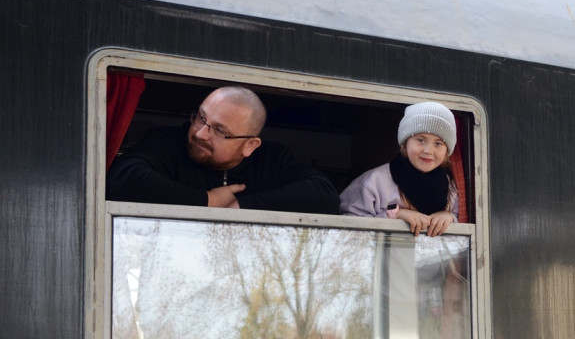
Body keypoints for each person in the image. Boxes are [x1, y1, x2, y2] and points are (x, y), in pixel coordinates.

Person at [106, 86, 339, 214]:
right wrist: (206, 201)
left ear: (250, 145)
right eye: (201, 117)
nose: (200, 133)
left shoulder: (273, 160)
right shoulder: (167, 141)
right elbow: (122, 179)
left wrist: (241, 207)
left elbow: (324, 195)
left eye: (219, 130)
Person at [339, 101, 459, 237]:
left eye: (438, 143)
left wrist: (449, 217)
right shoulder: (373, 182)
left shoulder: (452, 188)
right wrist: (394, 215)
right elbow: (348, 227)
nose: (428, 150)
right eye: (420, 140)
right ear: (405, 142)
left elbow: (463, 221)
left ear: (447, 150)